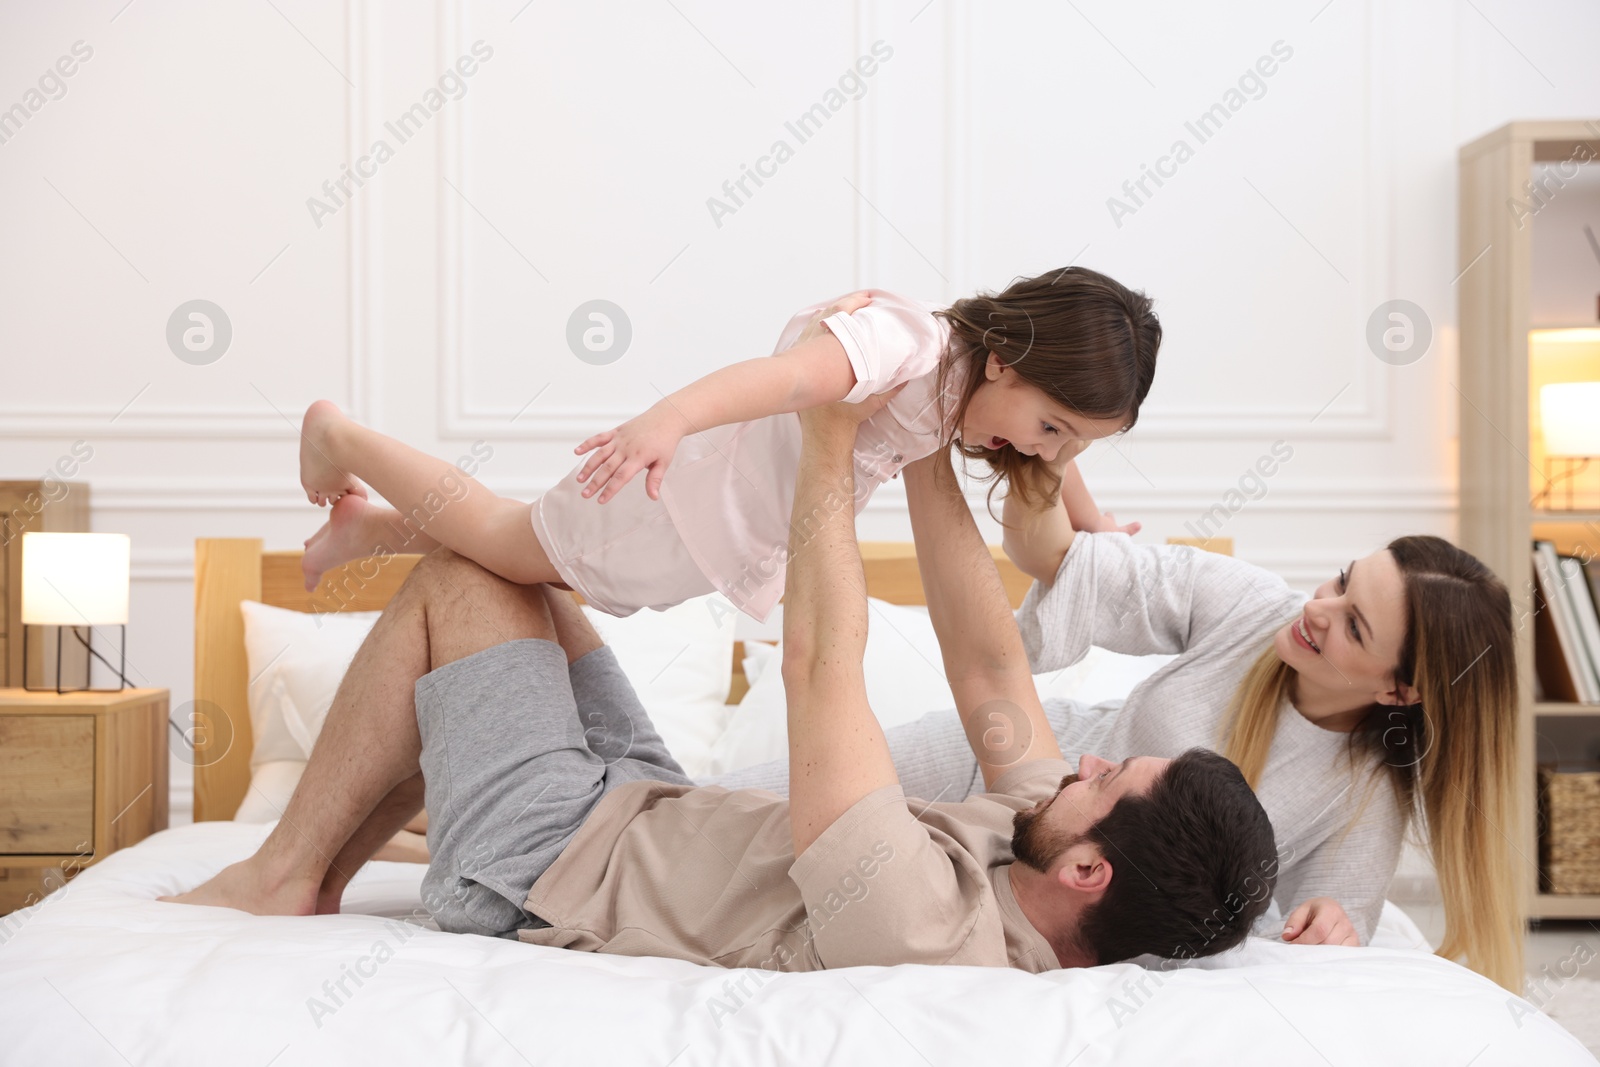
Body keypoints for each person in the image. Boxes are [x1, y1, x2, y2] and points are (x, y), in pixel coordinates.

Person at [163, 389, 1279, 974]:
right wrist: (934, 433)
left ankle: (286, 870)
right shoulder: (1043, 840)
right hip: (643, 806)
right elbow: (989, 659)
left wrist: (834, 438)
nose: (1083, 758)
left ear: (1089, 869)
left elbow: (817, 662)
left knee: (462, 582)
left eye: (1107, 773)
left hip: (541, 869)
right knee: (531, 578)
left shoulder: (922, 929)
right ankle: (376, 533)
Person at [715, 446, 1523, 991]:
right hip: (1002, 766)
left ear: (1399, 693)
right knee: (723, 816)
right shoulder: (1254, 607)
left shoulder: (1361, 800)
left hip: (1050, 891)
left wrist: (1330, 926)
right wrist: (1045, 446)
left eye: (1353, 624)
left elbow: (1298, 947)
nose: (1318, 607)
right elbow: (1058, 556)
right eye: (1342, 580)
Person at [292, 270, 1158, 622]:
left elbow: (1062, 456)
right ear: (1009, 361)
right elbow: (786, 379)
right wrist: (668, 416)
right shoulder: (911, 348)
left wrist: (1092, 524)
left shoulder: (976, 380)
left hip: (727, 525)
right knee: (511, 546)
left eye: (1071, 442)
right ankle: (344, 436)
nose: (1048, 454)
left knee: (540, 561)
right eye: (1052, 428)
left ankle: (367, 531)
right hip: (692, 494)